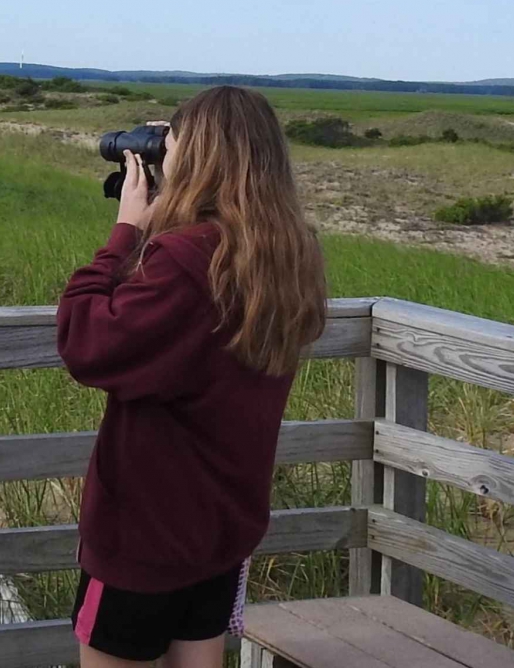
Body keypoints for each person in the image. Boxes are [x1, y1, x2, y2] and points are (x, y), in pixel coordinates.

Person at [56, 86, 327, 668]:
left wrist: (124, 232)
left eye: (171, 142)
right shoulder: (289, 252)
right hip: (221, 526)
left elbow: (87, 343)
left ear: (197, 156)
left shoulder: (184, 259)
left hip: (145, 532)